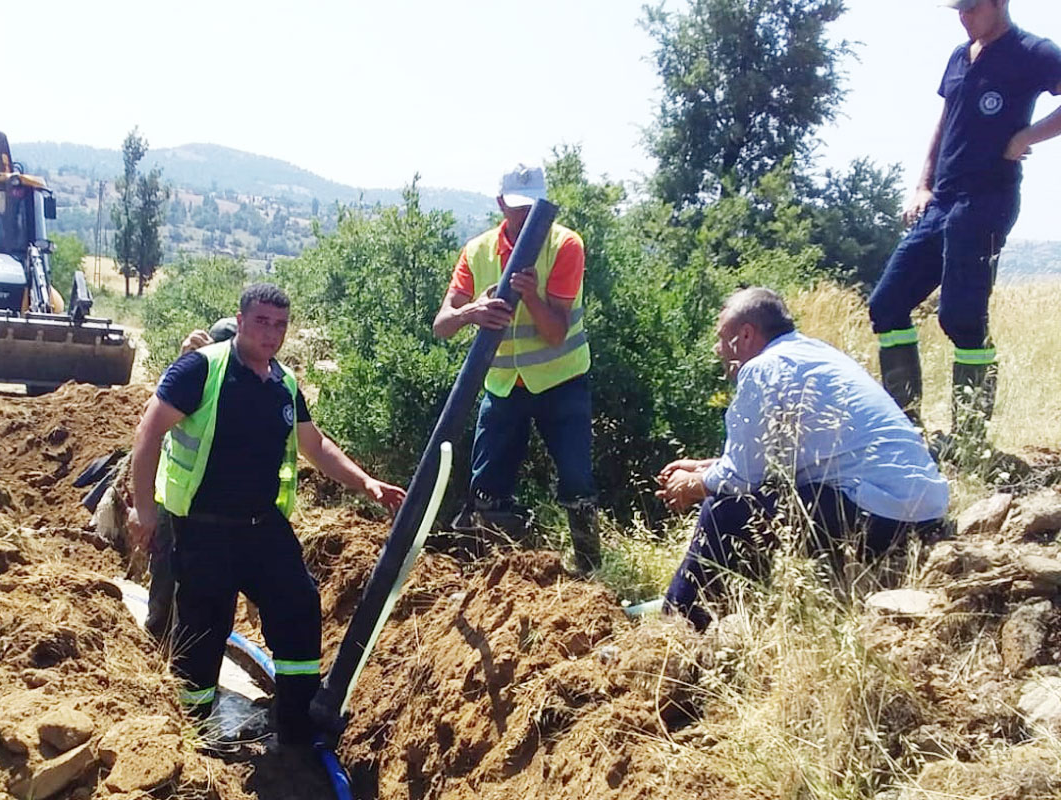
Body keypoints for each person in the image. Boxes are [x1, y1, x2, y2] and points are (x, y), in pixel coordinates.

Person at [127, 284, 405, 745]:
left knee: (299, 604)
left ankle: (294, 719)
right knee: (204, 626)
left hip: (262, 526)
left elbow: (315, 446)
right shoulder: (201, 369)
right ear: (240, 321)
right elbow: (148, 433)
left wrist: (365, 482)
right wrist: (143, 510)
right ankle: (193, 731)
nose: (271, 334)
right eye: (261, 322)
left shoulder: (284, 383)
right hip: (203, 528)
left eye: (279, 325)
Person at [656, 288, 949, 631]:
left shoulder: (762, 369)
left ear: (746, 334)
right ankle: (736, 609)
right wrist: (704, 467)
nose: (718, 349)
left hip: (881, 513)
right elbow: (770, 460)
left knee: (724, 510)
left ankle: (675, 625)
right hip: (922, 511)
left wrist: (691, 485)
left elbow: (740, 481)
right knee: (757, 500)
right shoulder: (814, 353)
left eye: (722, 338)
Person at [868, 0, 1061, 446]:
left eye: (972, 8)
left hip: (986, 199)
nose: (963, 16)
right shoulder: (959, 55)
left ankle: (969, 440)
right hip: (941, 200)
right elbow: (944, 121)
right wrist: (921, 183)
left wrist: (1027, 137)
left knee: (961, 317)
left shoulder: (1033, 52)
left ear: (1000, 4)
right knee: (887, 304)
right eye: (959, 8)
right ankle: (905, 425)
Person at [432, 164, 600, 573]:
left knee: (577, 481)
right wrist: (472, 311)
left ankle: (590, 570)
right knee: (486, 487)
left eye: (532, 207)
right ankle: (494, 572)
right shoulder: (477, 251)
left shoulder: (564, 246)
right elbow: (442, 326)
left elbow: (556, 333)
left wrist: (530, 296)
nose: (524, 216)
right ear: (500, 203)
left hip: (561, 382)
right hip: (504, 386)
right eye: (516, 207)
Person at [143, 317, 240, 645]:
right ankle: (158, 652)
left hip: (221, 510)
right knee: (167, 578)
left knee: (211, 589)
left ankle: (197, 653)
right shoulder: (194, 376)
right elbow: (151, 420)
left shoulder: (247, 383)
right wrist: (182, 362)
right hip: (177, 501)